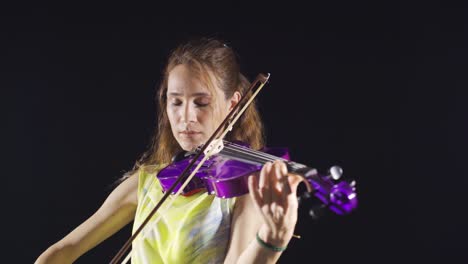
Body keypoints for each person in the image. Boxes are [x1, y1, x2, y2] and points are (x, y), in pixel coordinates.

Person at [35, 37, 303, 264]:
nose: (186, 117)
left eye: (201, 103)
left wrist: (271, 241)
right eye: (176, 102)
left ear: (233, 105)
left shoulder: (246, 190)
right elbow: (63, 251)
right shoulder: (148, 183)